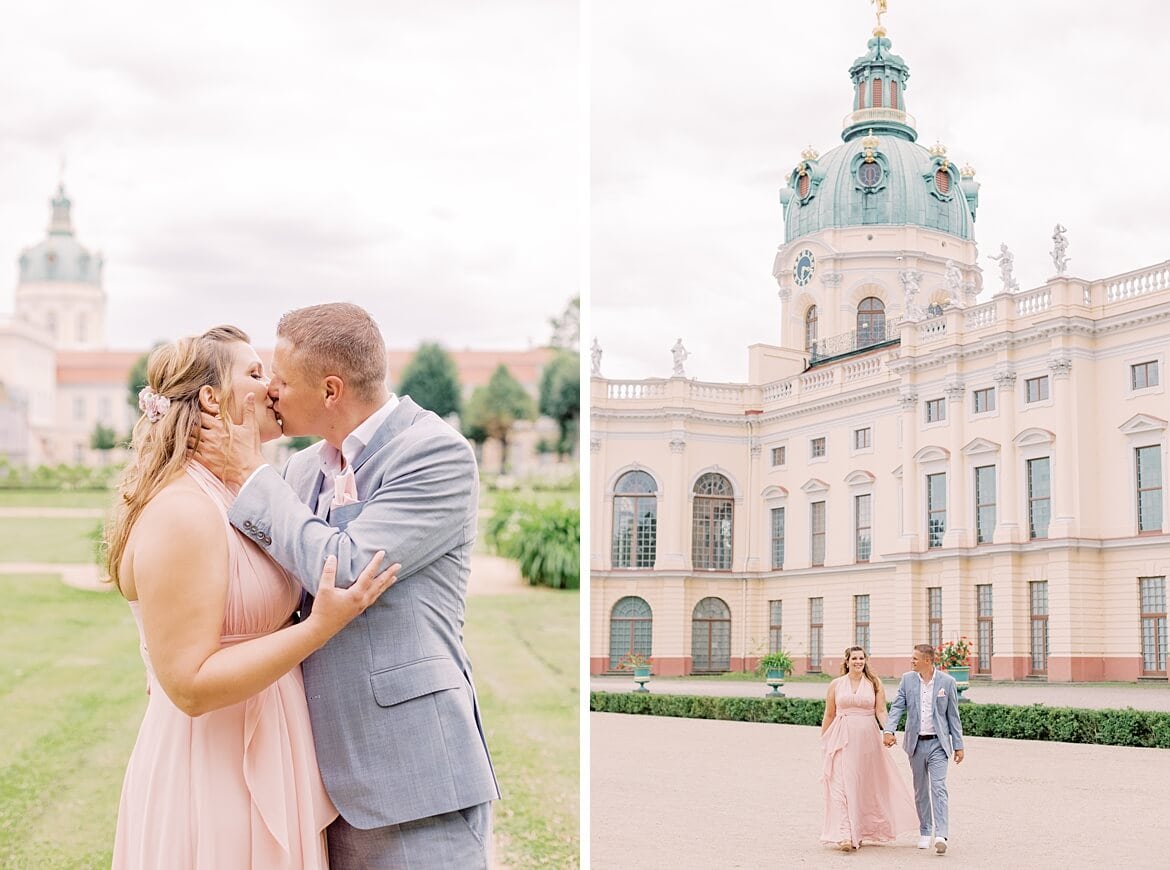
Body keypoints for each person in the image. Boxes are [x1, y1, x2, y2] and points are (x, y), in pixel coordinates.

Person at [193, 303, 500, 869]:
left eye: (281, 380)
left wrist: (248, 476)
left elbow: (348, 567)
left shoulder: (435, 453)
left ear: (331, 390)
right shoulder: (301, 470)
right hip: (313, 781)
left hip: (411, 779)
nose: (271, 393)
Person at [107, 325, 399, 869]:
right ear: (212, 398)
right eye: (256, 372)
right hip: (214, 771)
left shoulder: (244, 494)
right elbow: (189, 686)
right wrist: (315, 629)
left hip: (271, 752)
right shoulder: (185, 511)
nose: (273, 387)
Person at [820, 647, 918, 851]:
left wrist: (888, 731)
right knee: (841, 785)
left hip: (867, 740)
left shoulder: (874, 683)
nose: (858, 661)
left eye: (861, 658)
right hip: (841, 739)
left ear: (865, 660)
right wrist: (825, 740)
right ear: (847, 661)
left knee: (863, 786)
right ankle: (845, 834)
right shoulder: (836, 685)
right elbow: (829, 714)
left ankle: (861, 830)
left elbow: (881, 711)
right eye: (854, 658)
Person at [883, 643, 966, 854]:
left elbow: (953, 717)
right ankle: (926, 830)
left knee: (938, 787)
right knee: (921, 790)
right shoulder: (907, 680)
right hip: (916, 743)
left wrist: (958, 745)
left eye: (914, 659)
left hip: (939, 744)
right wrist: (889, 730)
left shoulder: (947, 682)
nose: (911, 661)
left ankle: (941, 834)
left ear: (927, 661)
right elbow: (897, 707)